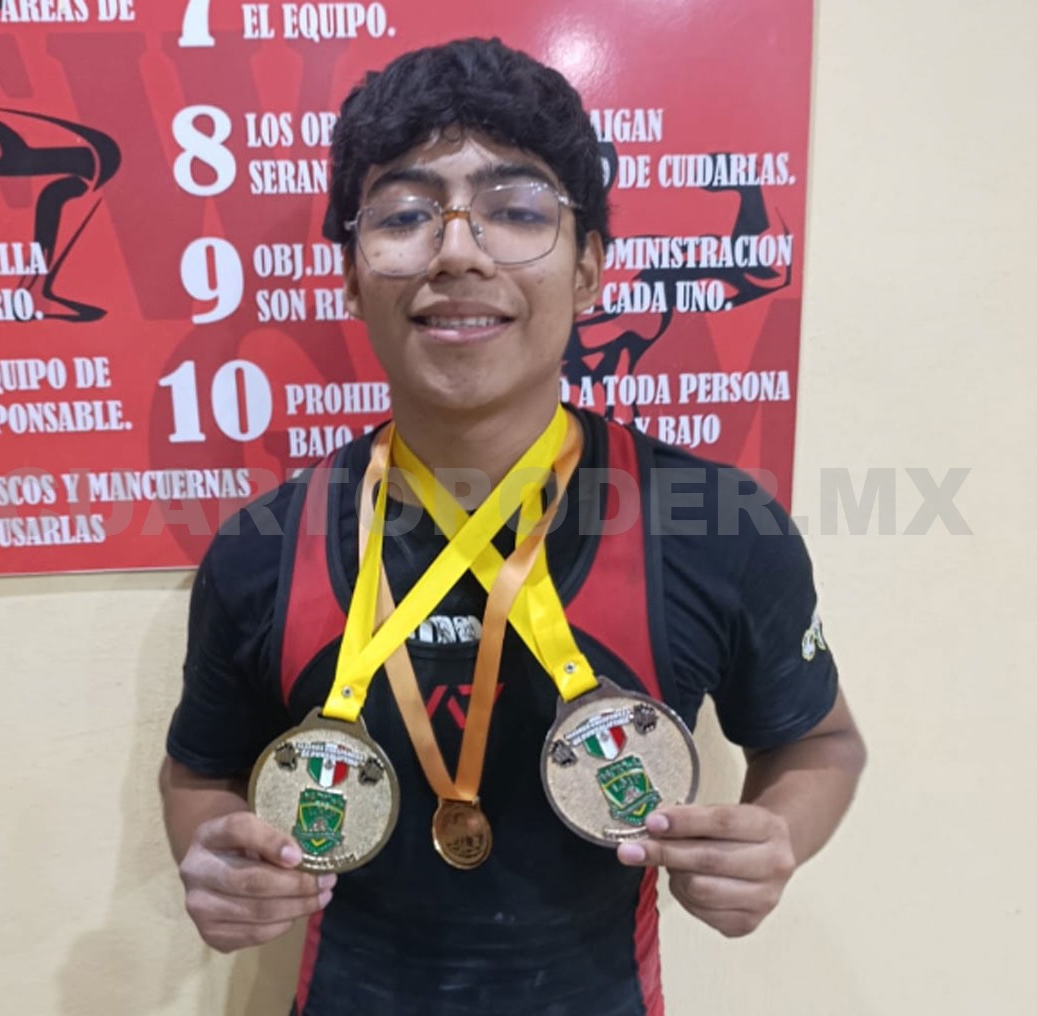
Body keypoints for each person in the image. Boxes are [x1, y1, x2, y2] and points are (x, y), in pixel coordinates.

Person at [160, 37, 866, 1016]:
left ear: (588, 270)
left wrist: (775, 836)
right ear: (351, 277)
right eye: (405, 214)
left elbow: (821, 744)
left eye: (516, 209)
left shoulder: (722, 526)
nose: (458, 250)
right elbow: (198, 770)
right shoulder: (259, 549)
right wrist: (215, 861)